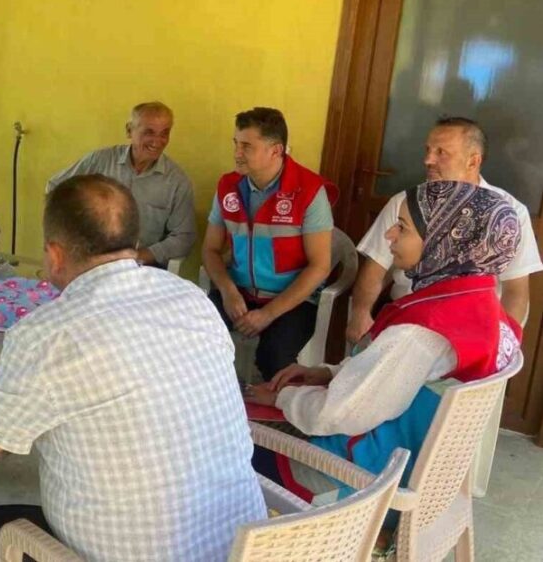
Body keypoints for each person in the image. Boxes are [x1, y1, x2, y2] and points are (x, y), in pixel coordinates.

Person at [0, 174, 266, 562]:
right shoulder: (191, 297)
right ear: (134, 243)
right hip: (245, 549)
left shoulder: (49, 333)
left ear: (54, 255)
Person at [246, 181, 522, 507]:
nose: (390, 234)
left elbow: (336, 414)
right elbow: (401, 378)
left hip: (362, 485)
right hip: (420, 479)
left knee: (234, 447)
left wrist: (280, 397)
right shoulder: (486, 309)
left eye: (402, 227)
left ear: (444, 240)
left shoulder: (421, 332)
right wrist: (328, 373)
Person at [346, 117, 542, 343]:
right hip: (407, 319)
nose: (428, 160)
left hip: (474, 332)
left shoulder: (509, 213)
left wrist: (504, 342)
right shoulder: (406, 203)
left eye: (441, 153)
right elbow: (376, 266)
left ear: (473, 161)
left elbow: (515, 290)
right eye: (428, 150)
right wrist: (360, 314)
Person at [202, 107, 335, 380]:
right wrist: (228, 291)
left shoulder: (309, 190)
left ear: (276, 150)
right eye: (236, 143)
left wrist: (268, 314)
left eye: (247, 146)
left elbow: (320, 266)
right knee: (193, 335)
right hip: (239, 294)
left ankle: (277, 405)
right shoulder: (228, 186)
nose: (237, 153)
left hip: (291, 301)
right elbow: (210, 249)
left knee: (274, 357)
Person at [45, 101, 196, 268]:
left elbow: (184, 237)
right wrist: (70, 235)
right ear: (129, 131)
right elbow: (55, 187)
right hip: (90, 260)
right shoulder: (100, 161)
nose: (158, 141)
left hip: (141, 267)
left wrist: (138, 256)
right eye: (149, 132)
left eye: (164, 133)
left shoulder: (176, 182)